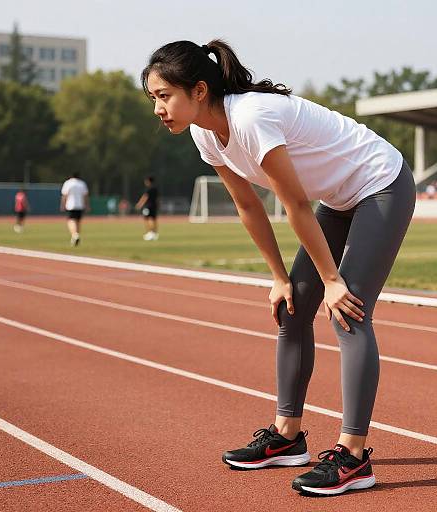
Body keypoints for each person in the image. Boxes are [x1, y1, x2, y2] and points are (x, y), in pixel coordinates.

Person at [142, 39, 416, 497]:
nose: (158, 109)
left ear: (200, 90)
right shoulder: (203, 132)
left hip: (380, 183)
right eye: (153, 99)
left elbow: (293, 203)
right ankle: (287, 437)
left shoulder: (251, 117)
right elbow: (248, 205)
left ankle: (353, 459)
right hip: (338, 198)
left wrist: (332, 280)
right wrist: (279, 278)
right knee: (292, 309)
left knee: (348, 310)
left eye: (165, 96)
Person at [60, 172, 89, 246]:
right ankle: (76, 236)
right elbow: (85, 196)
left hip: (70, 205)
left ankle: (75, 235)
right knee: (78, 221)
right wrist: (87, 205)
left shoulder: (68, 183)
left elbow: (64, 195)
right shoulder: (82, 183)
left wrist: (63, 204)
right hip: (80, 205)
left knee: (71, 220)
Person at [135, 176, 159, 240]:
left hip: (148, 206)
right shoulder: (155, 189)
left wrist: (139, 204)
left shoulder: (149, 189)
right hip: (154, 206)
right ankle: (155, 233)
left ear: (148, 181)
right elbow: (157, 199)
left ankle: (150, 233)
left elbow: (145, 197)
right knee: (154, 219)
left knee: (148, 219)